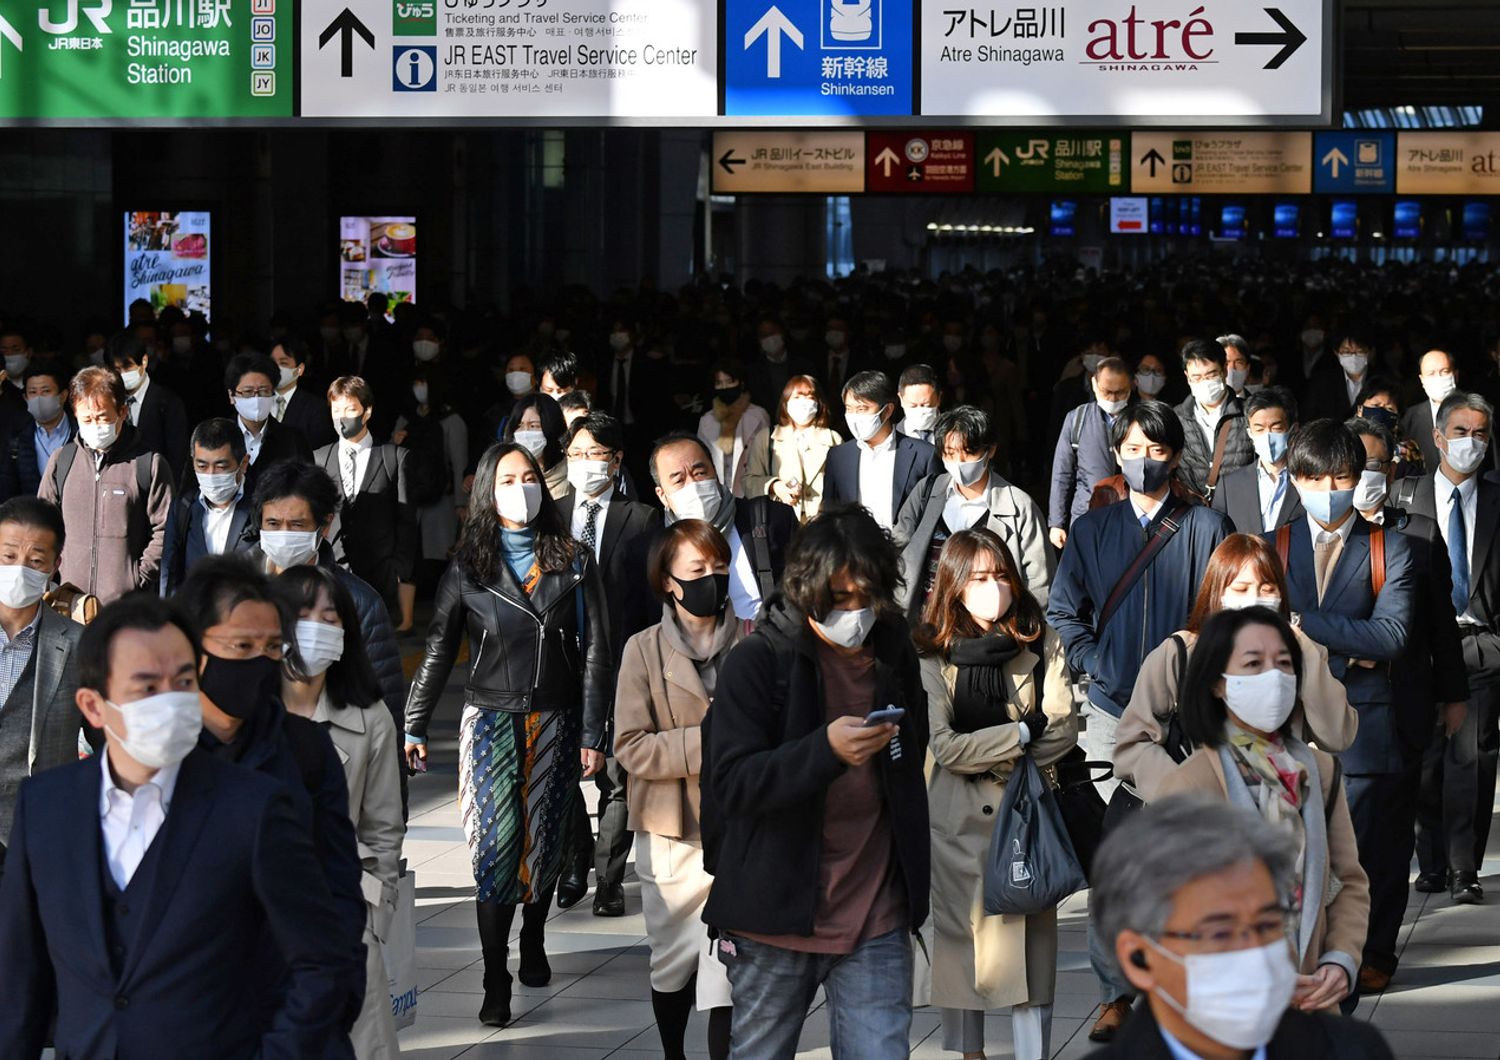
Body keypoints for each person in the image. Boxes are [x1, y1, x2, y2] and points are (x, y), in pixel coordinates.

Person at [0, 593, 356, 1058]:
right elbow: (20, 976)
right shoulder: (46, 807)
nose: (169, 701)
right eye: (146, 688)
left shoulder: (252, 807)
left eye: (183, 681)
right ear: (93, 706)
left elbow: (321, 961)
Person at [703, 504, 930, 1060]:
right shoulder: (758, 662)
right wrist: (823, 751)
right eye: (839, 598)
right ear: (808, 591)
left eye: (865, 597)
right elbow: (729, 782)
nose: (854, 612)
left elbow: (911, 754)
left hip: (875, 913)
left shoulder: (893, 650)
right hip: (775, 918)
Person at [402, 442, 611, 1028]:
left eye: (529, 478)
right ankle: (496, 977)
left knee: (542, 843)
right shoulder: (467, 566)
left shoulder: (575, 559)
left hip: (557, 718)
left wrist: (595, 730)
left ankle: (535, 938)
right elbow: (440, 648)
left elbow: (597, 650)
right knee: (495, 849)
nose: (520, 489)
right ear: (486, 495)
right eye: (506, 481)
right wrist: (414, 722)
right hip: (488, 720)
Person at [1046, 400, 1233, 1042]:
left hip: (1194, 716)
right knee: (1117, 857)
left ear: (1175, 456)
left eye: (1155, 449)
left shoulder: (1208, 525)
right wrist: (1097, 663)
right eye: (1131, 447)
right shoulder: (1094, 529)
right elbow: (1064, 609)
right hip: (1112, 714)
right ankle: (1115, 991)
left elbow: (1229, 612)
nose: (1142, 459)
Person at [176, 556, 368, 1036]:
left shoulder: (304, 749)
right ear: (192, 649)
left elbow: (338, 883)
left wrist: (331, 1000)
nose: (258, 662)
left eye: (271, 648)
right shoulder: (156, 754)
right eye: (241, 646)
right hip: (184, 1011)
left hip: (288, 1010)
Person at [1157, 608, 1371, 1010]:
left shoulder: (1319, 771)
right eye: (1253, 664)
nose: (1273, 677)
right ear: (1218, 684)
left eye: (1284, 664)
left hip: (1311, 1010)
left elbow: (1349, 882)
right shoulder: (1189, 786)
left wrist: (1341, 960)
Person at [916, 528, 1076, 1060]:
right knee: (965, 954)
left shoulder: (1040, 637)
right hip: (958, 822)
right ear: (955, 584)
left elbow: (1064, 725)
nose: (992, 588)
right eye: (979, 578)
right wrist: (1021, 735)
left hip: (1027, 815)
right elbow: (945, 747)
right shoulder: (933, 652)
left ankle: (1034, 1053)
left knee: (1032, 957)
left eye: (1001, 575)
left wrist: (1008, 746)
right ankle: (970, 1054)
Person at [1087, 795, 1394, 1060]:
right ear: (1139, 957)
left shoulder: (1354, 1049)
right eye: (1220, 933)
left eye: (1267, 924)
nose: (1256, 953)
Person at [1346, 413, 1467, 988]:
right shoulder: (1307, 533)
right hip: (1330, 709)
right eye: (1354, 466)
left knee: (1388, 845)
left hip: (1403, 707)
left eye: (1376, 464)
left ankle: (1376, 953)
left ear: (1393, 467)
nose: (1365, 475)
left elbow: (1442, 622)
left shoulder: (1417, 531)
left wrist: (1453, 694)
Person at [613, 519, 740, 1060]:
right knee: (673, 964)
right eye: (697, 570)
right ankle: (672, 1053)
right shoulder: (642, 650)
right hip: (673, 830)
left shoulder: (755, 638)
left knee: (728, 970)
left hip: (739, 827)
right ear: (668, 580)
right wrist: (707, 743)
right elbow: (631, 745)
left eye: (718, 567)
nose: (711, 578)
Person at [1113, 533, 1357, 801]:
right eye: (1241, 589)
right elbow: (1133, 742)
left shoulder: (1302, 655)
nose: (1254, 599)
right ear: (1217, 593)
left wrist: (1306, 653)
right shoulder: (1180, 653)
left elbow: (1337, 736)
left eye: (1266, 589)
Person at [275, 565, 405, 1060]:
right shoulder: (250, 714)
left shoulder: (370, 719)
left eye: (329, 617)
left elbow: (384, 827)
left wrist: (375, 916)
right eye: (302, 616)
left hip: (343, 913)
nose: (316, 627)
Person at [1391, 391, 1500, 907]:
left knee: (1473, 757)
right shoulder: (1402, 499)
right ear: (1437, 438)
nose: (1470, 443)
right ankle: (1430, 863)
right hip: (1418, 647)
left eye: (1480, 433)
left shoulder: (1498, 500)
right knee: (1425, 757)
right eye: (1460, 432)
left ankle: (1464, 868)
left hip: (1479, 644)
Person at [554, 413, 662, 916]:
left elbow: (648, 598)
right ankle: (577, 853)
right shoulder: (551, 515)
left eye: (595, 454)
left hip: (620, 661)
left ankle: (609, 879)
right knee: (558, 765)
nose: (585, 464)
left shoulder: (639, 518)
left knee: (616, 777)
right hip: (560, 662)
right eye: (576, 454)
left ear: (617, 460)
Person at [253, 459, 407, 747]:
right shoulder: (238, 593)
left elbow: (386, 705)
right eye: (273, 524)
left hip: (335, 755)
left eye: (297, 524)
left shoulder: (360, 604)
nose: (283, 534)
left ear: (324, 526)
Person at [626, 432, 798, 638]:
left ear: (715, 473)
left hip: (767, 654)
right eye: (679, 480)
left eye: (699, 473)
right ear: (662, 495)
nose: (693, 485)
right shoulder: (646, 552)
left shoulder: (771, 520)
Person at [895, 405, 1053, 629]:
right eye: (950, 453)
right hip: (928, 629)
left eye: (969, 452)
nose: (959, 462)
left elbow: (1040, 583)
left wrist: (1025, 632)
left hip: (991, 633)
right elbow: (898, 548)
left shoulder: (1019, 506)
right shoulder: (926, 492)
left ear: (990, 451)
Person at [38, 366, 172, 603]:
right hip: (68, 602)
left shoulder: (148, 465)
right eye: (86, 419)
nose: (95, 426)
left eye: (102, 418)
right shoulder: (62, 460)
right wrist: (53, 576)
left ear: (122, 411)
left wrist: (138, 579)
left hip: (126, 607)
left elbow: (165, 529)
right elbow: (42, 524)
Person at [0, 497, 83, 842]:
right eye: (8, 556)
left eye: (35, 560)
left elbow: (107, 740)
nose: (20, 569)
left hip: (35, 830)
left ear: (55, 565)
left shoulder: (79, 644)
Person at [315, 376, 415, 620]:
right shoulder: (319, 458)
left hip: (380, 575)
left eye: (349, 409)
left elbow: (406, 518)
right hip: (333, 572)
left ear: (367, 411)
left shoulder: (393, 457)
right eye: (336, 410)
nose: (342, 417)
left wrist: (400, 568)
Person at [393, 364, 469, 616]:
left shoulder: (451, 419)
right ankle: (409, 617)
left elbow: (459, 463)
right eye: (416, 382)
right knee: (412, 557)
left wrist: (461, 503)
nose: (420, 388)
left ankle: (448, 614)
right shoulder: (406, 417)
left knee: (444, 558)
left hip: (443, 499)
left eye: (425, 382)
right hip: (412, 498)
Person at [823, 370, 941, 532]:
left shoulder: (924, 455)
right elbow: (829, 515)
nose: (854, 416)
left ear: (887, 411)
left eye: (862, 409)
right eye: (849, 409)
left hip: (904, 553)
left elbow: (931, 516)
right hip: (853, 553)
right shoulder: (838, 456)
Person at [161, 417, 257, 593]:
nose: (211, 475)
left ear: (243, 463)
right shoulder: (183, 507)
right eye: (202, 466)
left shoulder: (262, 507)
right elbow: (170, 574)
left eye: (221, 466)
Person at [1048, 356, 1134, 548]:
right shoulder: (1077, 419)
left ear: (1131, 386)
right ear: (1094, 384)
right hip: (1086, 515)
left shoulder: (1140, 418)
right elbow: (1062, 473)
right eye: (1106, 392)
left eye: (1120, 393)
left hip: (1133, 516)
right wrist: (1056, 522)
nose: (1112, 399)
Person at [742, 374, 842, 523]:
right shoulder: (766, 438)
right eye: (797, 397)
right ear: (786, 402)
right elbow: (748, 481)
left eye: (810, 397)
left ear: (819, 403)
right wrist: (774, 486)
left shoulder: (833, 438)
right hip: (781, 522)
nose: (804, 403)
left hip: (823, 525)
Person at [1211, 386, 1305, 534]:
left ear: (1293, 429)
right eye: (1259, 429)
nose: (1267, 436)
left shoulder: (1309, 481)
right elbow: (1218, 538)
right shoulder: (1229, 485)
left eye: (1276, 428)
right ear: (1250, 433)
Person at [1174, 338, 1253, 503]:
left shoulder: (1249, 414)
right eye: (1196, 377)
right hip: (1192, 514)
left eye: (1211, 375)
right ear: (1187, 377)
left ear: (1224, 370)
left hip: (1239, 508)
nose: (1204, 383)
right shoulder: (1176, 418)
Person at [106, 332, 189, 485]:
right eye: (116, 370)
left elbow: (177, 458)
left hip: (158, 487)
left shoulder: (169, 403)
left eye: (127, 366)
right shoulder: (108, 403)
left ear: (144, 361)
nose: (122, 374)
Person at [227, 352, 313, 496]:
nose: (256, 398)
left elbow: (308, 491)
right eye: (248, 392)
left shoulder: (294, 440)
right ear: (232, 396)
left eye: (264, 391)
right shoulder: (217, 437)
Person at [0, 360, 74, 502]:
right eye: (33, 392)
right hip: (31, 518)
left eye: (46, 391)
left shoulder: (82, 434)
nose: (39, 398)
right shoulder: (15, 438)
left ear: (63, 395)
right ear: (25, 398)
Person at [697, 357, 770, 499]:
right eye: (719, 383)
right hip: (718, 493)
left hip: (750, 490)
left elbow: (767, 456)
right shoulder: (707, 420)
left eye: (730, 382)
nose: (724, 388)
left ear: (741, 383)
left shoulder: (758, 415)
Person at [272, 335, 338, 450]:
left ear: (300, 369)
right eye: (272, 362)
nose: (276, 368)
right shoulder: (257, 401)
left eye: (283, 363)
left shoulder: (316, 408)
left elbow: (320, 452)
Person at [503, 392, 572, 500]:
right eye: (519, 426)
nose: (525, 432)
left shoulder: (572, 480)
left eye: (534, 426)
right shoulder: (503, 475)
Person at [896, 363, 943, 446]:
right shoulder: (891, 439)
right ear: (901, 399)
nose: (920, 410)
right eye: (913, 405)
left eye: (926, 404)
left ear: (939, 398)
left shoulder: (955, 432)